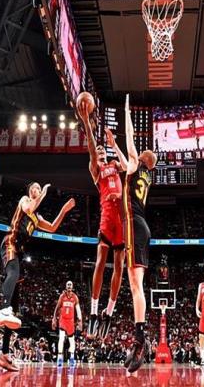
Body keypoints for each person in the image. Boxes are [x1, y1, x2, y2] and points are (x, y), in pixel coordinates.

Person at [0, 183, 75, 371]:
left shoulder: (37, 217)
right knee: (13, 273)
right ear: (31, 191)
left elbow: (52, 228)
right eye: (36, 188)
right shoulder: (25, 201)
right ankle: (2, 308)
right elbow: (29, 208)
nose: (38, 190)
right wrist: (43, 193)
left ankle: (4, 354)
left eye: (39, 188)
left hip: (19, 252)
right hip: (10, 242)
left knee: (15, 307)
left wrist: (63, 210)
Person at [77, 102, 128, 340]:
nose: (99, 151)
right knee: (100, 263)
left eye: (101, 149)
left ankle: (109, 311)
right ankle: (94, 311)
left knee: (120, 267)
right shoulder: (96, 168)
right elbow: (90, 145)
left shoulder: (115, 165)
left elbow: (127, 166)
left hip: (122, 220)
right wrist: (87, 123)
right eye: (97, 150)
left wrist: (114, 145)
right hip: (107, 218)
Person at [121, 95, 157, 373]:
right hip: (142, 225)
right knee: (137, 285)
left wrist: (126, 112)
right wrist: (114, 147)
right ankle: (140, 338)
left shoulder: (137, 165)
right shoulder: (144, 174)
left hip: (134, 224)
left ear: (144, 158)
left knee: (135, 286)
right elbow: (126, 162)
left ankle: (140, 340)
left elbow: (130, 137)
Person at [52, 281, 82, 367]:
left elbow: (78, 309)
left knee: (71, 341)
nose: (69, 286)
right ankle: (59, 357)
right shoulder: (62, 296)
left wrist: (80, 320)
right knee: (61, 338)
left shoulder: (75, 297)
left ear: (72, 287)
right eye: (68, 285)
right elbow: (57, 307)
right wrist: (54, 318)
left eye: (70, 285)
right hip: (63, 320)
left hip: (71, 321)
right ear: (66, 286)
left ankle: (72, 357)